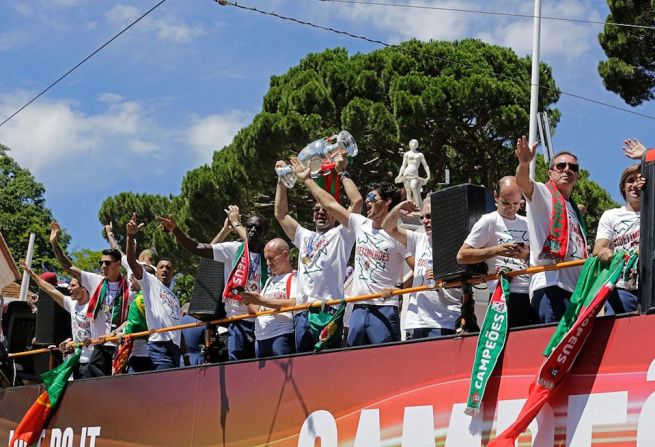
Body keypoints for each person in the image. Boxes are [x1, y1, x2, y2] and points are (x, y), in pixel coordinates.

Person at [290, 157, 407, 346]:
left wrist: (399, 289)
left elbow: (418, 266)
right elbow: (332, 204)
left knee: (387, 363)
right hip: (358, 309)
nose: (368, 203)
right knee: (353, 363)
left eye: (373, 199)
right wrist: (311, 179)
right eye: (368, 199)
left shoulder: (399, 235)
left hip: (384, 307)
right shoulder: (361, 224)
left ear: (387, 202)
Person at [274, 152, 362, 352]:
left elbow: (356, 203)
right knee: (303, 367)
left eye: (326, 210)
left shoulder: (343, 233)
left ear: (334, 214)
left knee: (328, 366)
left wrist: (342, 172)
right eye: (316, 210)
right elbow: (280, 214)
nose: (321, 212)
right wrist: (282, 179)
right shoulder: (304, 236)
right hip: (303, 312)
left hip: (328, 311)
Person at [157, 206, 265, 361]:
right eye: (250, 227)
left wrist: (236, 223)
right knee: (238, 369)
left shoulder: (268, 252)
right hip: (237, 321)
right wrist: (176, 230)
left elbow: (256, 242)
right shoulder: (233, 248)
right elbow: (197, 248)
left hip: (263, 320)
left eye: (258, 228)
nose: (254, 230)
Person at [515, 136, 588, 323]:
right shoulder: (543, 194)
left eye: (573, 168)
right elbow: (523, 182)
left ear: (577, 176)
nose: (567, 170)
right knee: (554, 348)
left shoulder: (572, 208)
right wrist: (524, 163)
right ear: (550, 173)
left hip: (576, 290)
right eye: (561, 166)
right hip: (551, 284)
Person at [50, 221, 130, 376]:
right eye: (101, 263)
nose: (103, 266)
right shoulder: (96, 282)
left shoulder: (129, 289)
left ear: (118, 264)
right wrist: (54, 243)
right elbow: (69, 267)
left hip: (120, 346)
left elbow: (131, 319)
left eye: (107, 263)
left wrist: (117, 332)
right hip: (99, 346)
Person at [457, 176, 537, 328]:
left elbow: (540, 256)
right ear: (496, 196)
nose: (511, 208)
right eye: (506, 203)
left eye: (516, 203)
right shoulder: (489, 221)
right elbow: (462, 256)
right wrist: (496, 250)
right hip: (504, 294)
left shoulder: (527, 223)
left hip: (531, 292)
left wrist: (526, 255)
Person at [382, 198, 462, 338]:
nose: (425, 221)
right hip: (416, 321)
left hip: (444, 321)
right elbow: (388, 227)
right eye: (422, 217)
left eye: (429, 216)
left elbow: (467, 278)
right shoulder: (420, 239)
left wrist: (443, 275)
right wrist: (398, 209)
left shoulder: (456, 244)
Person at [593, 140, 647, 315]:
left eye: (639, 180)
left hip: (650, 285)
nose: (634, 185)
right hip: (622, 286)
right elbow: (599, 247)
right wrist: (603, 252)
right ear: (623, 187)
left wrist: (646, 156)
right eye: (630, 181)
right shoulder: (611, 215)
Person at [126, 213, 182, 370]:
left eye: (169, 268)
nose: (165, 270)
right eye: (161, 267)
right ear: (155, 271)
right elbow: (131, 261)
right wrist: (130, 236)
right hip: (158, 345)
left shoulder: (175, 298)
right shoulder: (150, 283)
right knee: (163, 387)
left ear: (173, 273)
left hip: (175, 349)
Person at [22, 264, 93, 378]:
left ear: (83, 288)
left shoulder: (94, 306)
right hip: (77, 359)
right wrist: (32, 274)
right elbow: (50, 289)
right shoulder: (71, 304)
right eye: (69, 285)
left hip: (93, 359)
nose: (68, 288)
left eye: (73, 285)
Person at [242, 239, 297, 358]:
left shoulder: (294, 277)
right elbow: (257, 310)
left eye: (271, 258)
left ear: (285, 255)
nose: (267, 263)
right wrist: (247, 301)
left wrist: (261, 300)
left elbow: (294, 302)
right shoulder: (269, 280)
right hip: (261, 337)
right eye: (266, 259)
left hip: (281, 334)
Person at [395, 139, 431, 207]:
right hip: (406, 173)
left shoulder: (420, 154)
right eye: (413, 142)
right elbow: (403, 165)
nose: (414, 144)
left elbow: (425, 165)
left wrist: (428, 176)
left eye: (415, 143)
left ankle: (417, 205)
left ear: (417, 145)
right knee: (408, 190)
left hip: (414, 174)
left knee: (413, 187)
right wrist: (399, 175)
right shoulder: (406, 154)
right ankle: (410, 205)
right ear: (410, 144)